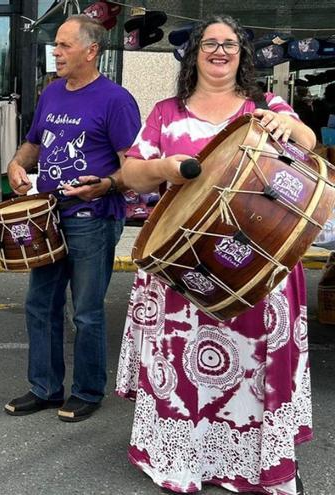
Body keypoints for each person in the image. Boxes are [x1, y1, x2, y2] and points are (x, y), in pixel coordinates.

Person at [116, 16, 314, 494]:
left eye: (230, 44)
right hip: (185, 266)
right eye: (210, 43)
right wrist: (164, 168)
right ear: (194, 53)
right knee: (189, 364)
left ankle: (256, 462)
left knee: (253, 365)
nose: (220, 51)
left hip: (260, 262)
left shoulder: (266, 105)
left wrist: (289, 125)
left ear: (242, 55)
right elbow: (130, 175)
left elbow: (307, 145)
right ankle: (189, 458)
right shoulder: (166, 112)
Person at [4, 14, 141, 421]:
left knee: (86, 310)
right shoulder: (52, 92)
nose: (57, 52)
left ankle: (87, 390)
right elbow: (34, 142)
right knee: (39, 304)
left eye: (64, 45)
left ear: (91, 50)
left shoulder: (116, 99)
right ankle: (44, 388)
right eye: (56, 45)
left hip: (93, 217)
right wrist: (15, 164)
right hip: (47, 216)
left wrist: (106, 185)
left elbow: (132, 167)